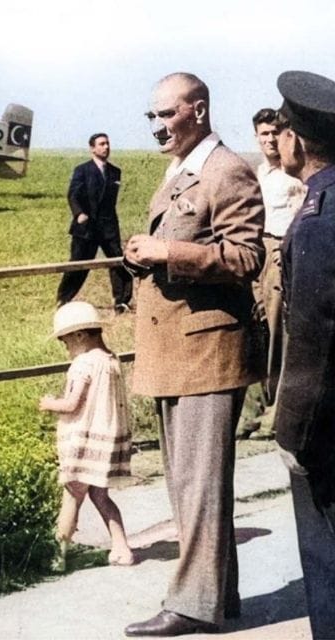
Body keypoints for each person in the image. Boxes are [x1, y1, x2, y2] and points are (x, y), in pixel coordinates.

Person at [122, 72, 265, 637]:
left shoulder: (225, 170)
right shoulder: (182, 170)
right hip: (176, 352)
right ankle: (217, 598)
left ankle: (190, 604)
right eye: (152, 117)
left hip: (207, 351)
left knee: (200, 485)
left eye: (167, 115)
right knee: (189, 483)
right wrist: (144, 255)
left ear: (198, 111)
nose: (158, 128)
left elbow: (247, 256)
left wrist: (168, 250)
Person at [271, 69, 335, 640]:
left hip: (328, 430)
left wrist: (291, 431)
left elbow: (313, 342)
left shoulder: (317, 221)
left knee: (327, 567)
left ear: (294, 138)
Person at [39, 301, 134, 571]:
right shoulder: (111, 360)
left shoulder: (83, 364)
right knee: (101, 496)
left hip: (84, 441)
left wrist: (49, 404)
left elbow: (72, 404)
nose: (66, 347)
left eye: (65, 341)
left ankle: (58, 554)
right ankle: (122, 547)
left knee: (72, 495)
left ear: (80, 335)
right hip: (105, 440)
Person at [237, 108, 307, 440]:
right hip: (256, 251)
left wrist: (285, 251)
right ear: (256, 137)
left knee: (279, 332)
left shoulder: (294, 177)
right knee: (255, 329)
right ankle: (250, 413)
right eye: (264, 134)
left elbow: (300, 219)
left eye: (275, 133)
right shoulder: (259, 173)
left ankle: (275, 415)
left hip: (280, 251)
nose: (269, 140)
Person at [57, 133, 133, 314]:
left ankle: (122, 302)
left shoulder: (115, 172)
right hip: (86, 228)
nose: (106, 147)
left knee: (118, 263)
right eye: (101, 144)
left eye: (107, 144)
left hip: (108, 227)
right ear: (92, 148)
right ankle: (63, 299)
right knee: (78, 264)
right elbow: (73, 195)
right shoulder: (82, 170)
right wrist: (79, 213)